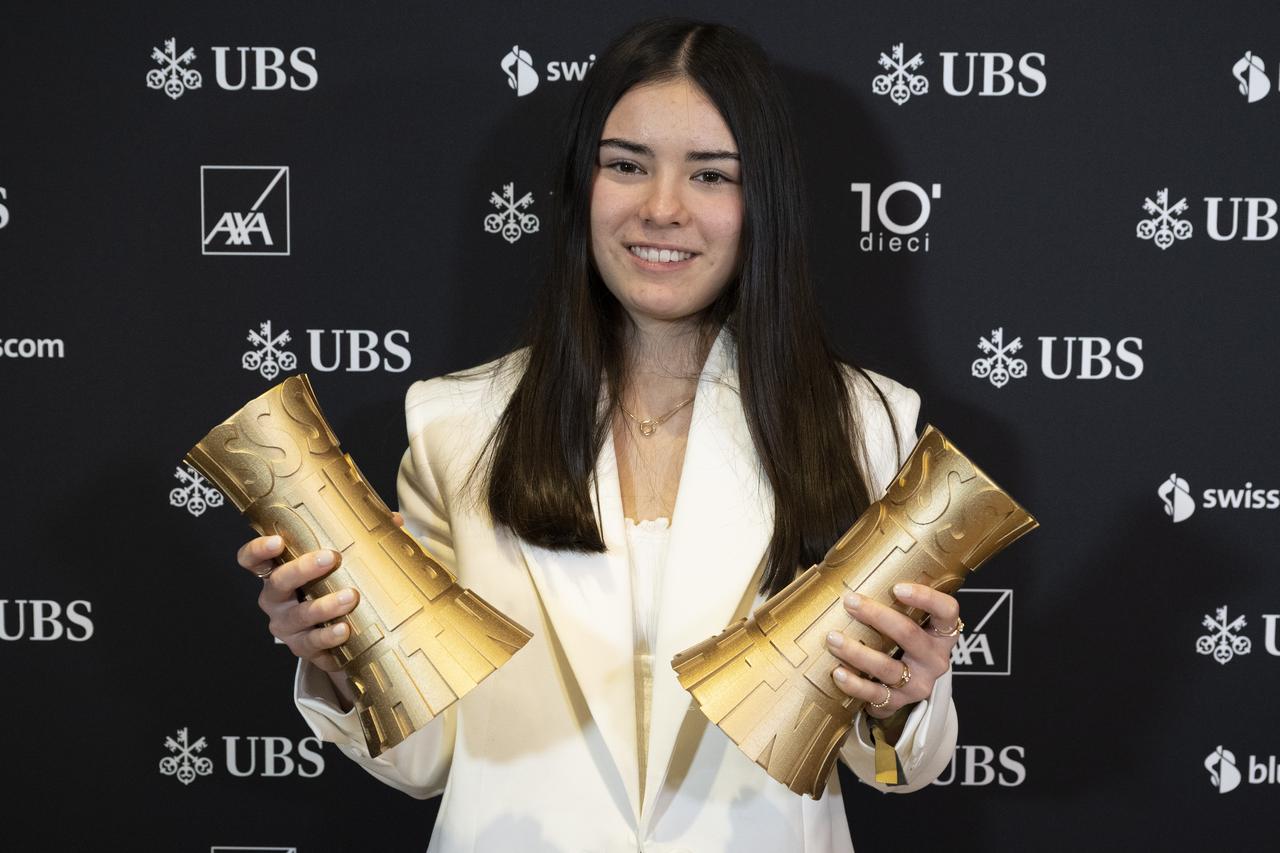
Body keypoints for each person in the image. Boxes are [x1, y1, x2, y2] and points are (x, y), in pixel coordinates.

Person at [236, 18, 961, 853]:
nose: (661, 208)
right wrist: (334, 651)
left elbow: (895, 766)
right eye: (626, 165)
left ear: (764, 201)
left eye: (711, 175)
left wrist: (905, 692)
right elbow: (424, 758)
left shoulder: (865, 421)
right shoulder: (454, 424)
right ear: (583, 185)